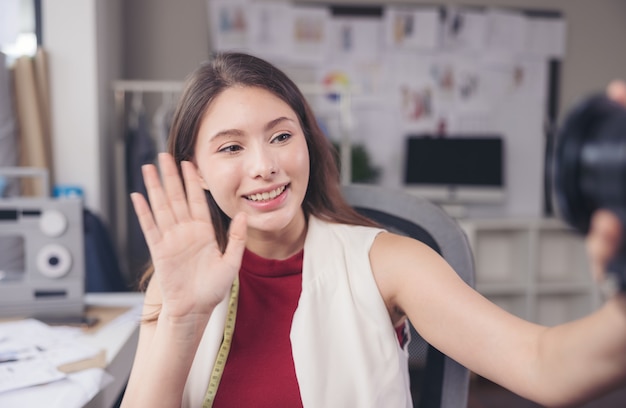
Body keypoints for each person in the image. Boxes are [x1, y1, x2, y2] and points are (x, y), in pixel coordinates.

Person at [121, 52, 626, 408]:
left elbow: (545, 365)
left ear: (308, 145)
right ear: (197, 172)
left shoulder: (388, 263)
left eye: (281, 136)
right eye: (231, 147)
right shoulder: (178, 283)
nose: (264, 165)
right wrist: (182, 320)